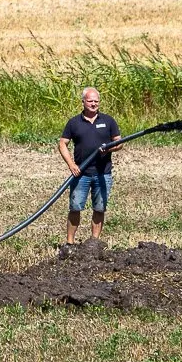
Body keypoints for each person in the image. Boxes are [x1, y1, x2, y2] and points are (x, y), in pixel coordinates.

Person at [57, 86, 121, 244]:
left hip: (102, 173)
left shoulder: (108, 121)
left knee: (99, 208)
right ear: (83, 102)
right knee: (75, 207)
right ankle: (69, 243)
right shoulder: (74, 123)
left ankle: (94, 243)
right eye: (90, 101)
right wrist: (71, 165)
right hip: (81, 174)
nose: (93, 104)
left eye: (96, 101)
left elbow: (119, 142)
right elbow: (62, 144)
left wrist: (108, 149)